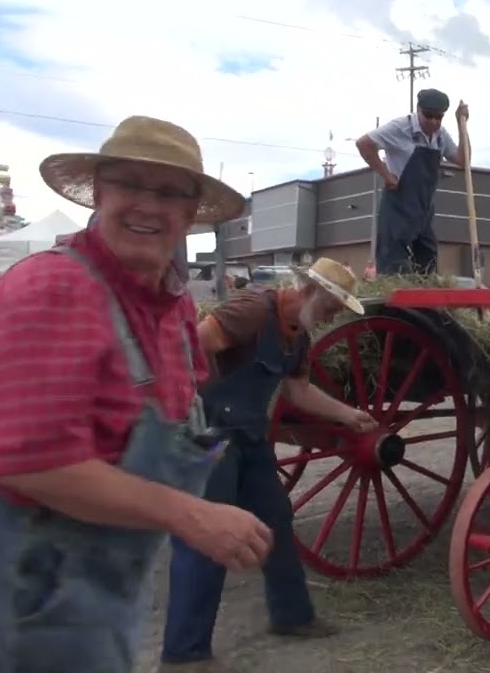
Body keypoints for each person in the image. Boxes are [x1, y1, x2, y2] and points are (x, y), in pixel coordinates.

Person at [0, 116, 271, 673]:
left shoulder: (173, 308)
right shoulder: (49, 291)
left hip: (103, 596)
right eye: (129, 185)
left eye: (169, 192)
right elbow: (34, 464)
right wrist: (192, 515)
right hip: (29, 605)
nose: (148, 206)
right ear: (98, 193)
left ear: (191, 214)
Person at [160, 258, 377, 670]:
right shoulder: (254, 308)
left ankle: (292, 616)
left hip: (251, 438)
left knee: (276, 519)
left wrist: (348, 415)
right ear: (313, 292)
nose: (333, 315)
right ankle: (184, 655)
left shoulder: (297, 336)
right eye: (333, 305)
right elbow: (194, 344)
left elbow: (298, 391)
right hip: (212, 435)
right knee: (205, 536)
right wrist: (195, 410)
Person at [355, 88, 470, 275]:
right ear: (418, 109)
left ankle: (427, 300)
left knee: (428, 261)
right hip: (398, 208)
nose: (433, 121)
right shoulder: (400, 128)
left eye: (438, 117)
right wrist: (386, 175)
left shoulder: (441, 136)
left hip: (424, 211)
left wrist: (461, 125)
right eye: (428, 115)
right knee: (395, 265)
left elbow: (463, 160)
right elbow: (363, 144)